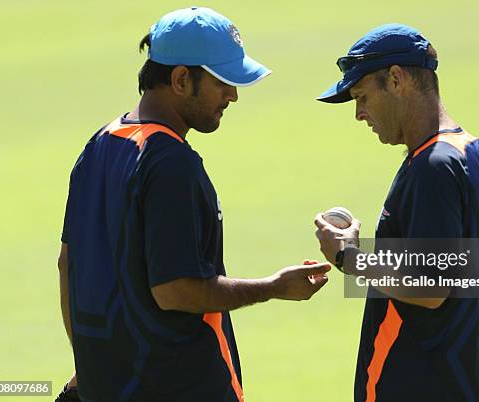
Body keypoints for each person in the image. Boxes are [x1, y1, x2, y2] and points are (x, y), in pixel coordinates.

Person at [55, 7, 331, 402]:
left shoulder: (100, 144)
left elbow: (68, 264)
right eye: (223, 82)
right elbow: (176, 291)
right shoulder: (170, 162)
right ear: (182, 79)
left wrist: (90, 364)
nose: (233, 95)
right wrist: (273, 287)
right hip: (177, 386)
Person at [314, 24, 479, 402]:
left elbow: (433, 286)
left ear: (396, 79)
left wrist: (348, 257)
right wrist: (471, 377)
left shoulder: (432, 167)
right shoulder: (473, 154)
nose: (359, 113)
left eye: (362, 96)